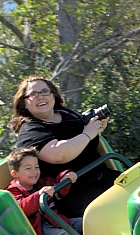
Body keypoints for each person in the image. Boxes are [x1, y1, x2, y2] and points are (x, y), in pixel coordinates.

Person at [9, 75, 114, 218]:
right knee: (113, 206)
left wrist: (97, 127)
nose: (40, 97)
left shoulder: (68, 115)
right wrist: (88, 133)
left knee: (139, 192)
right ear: (25, 103)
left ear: (53, 96)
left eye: (45, 92)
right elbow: (58, 154)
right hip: (73, 193)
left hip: (103, 175)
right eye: (33, 94)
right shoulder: (30, 130)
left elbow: (87, 140)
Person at [5, 147, 83, 235]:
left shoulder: (41, 183)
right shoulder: (13, 191)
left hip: (56, 221)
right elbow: (22, 208)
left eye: (36, 167)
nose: (34, 171)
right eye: (28, 168)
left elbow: (56, 187)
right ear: (15, 174)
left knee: (85, 222)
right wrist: (38, 195)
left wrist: (65, 176)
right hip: (39, 230)